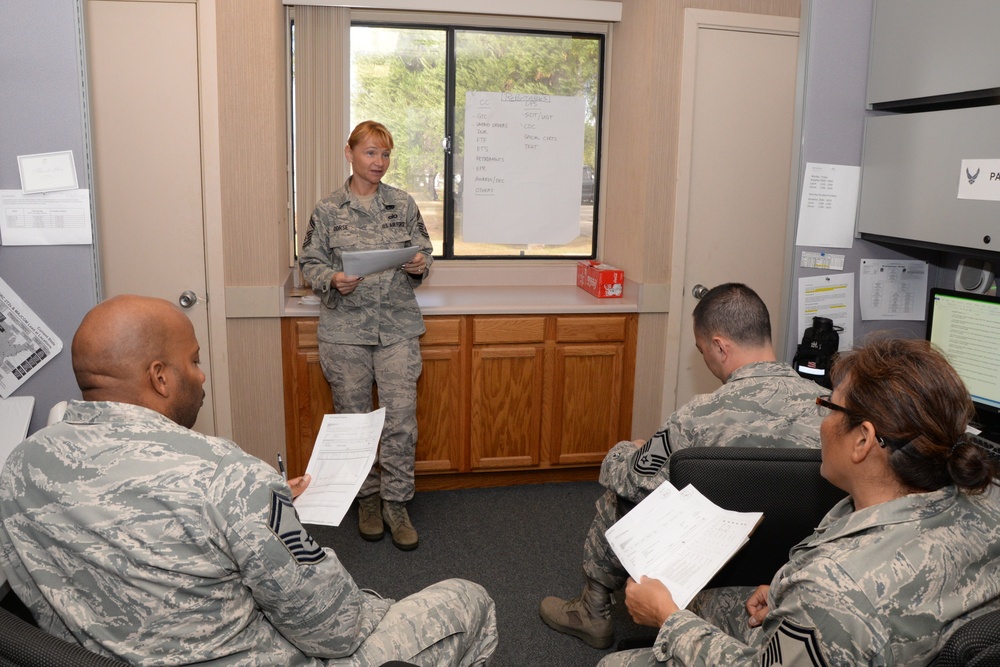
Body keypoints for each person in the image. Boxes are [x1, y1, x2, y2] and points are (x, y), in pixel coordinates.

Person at [0, 295, 497, 667]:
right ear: (159, 377)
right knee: (467, 599)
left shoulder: (20, 467)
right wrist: (265, 509)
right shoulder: (229, 477)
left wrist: (268, 508)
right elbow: (335, 630)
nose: (202, 376)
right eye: (193, 361)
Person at [600, 335, 1000, 667]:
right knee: (711, 600)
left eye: (828, 405)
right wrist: (785, 593)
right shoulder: (988, 499)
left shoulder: (833, 587)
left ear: (862, 439)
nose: (821, 421)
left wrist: (668, 620)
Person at [539, 283, 825, 649]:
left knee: (621, 497)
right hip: (796, 574)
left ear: (720, 346)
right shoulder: (831, 410)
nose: (705, 358)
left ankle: (592, 611)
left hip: (710, 565)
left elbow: (630, 478)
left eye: (703, 350)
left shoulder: (698, 417)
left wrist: (630, 449)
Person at [299, 120, 433, 551]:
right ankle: (367, 500)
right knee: (355, 423)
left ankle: (396, 502)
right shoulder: (327, 209)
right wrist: (332, 278)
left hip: (396, 329)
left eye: (386, 154)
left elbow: (423, 251)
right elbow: (309, 262)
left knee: (400, 421)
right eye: (371, 153)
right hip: (346, 333)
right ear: (350, 153)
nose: (379, 162)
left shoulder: (403, 204)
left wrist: (418, 265)